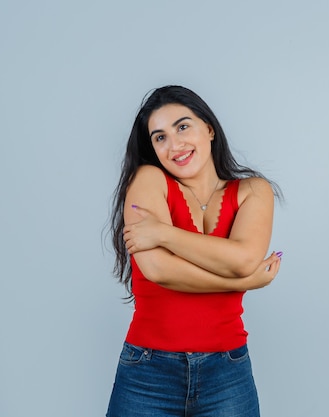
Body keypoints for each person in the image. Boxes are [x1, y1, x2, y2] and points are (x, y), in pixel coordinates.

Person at [106, 85, 282, 417]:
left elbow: (244, 258)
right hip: (147, 370)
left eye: (182, 126)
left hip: (227, 371)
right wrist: (241, 279)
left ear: (210, 128)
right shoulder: (148, 179)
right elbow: (159, 271)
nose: (174, 145)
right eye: (159, 137)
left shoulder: (253, 190)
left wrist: (163, 233)